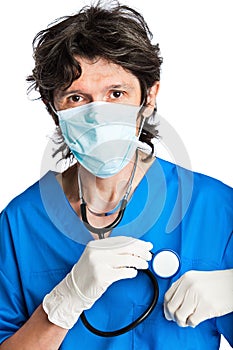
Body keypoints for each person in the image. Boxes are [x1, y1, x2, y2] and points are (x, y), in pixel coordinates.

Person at [0, 1, 232, 349]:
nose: (98, 115)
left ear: (149, 96)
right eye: (77, 97)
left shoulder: (214, 209)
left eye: (116, 93)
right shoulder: (21, 223)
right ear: (54, 110)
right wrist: (63, 302)